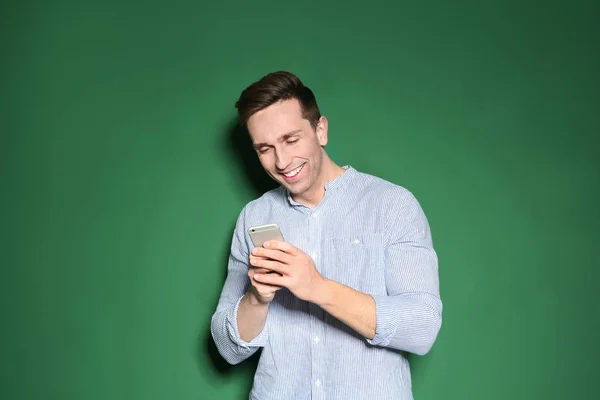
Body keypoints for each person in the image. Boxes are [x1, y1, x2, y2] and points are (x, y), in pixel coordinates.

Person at [210, 71, 442, 400]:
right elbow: (227, 348)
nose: (282, 161)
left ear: (320, 130)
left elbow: (422, 327)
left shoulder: (391, 205)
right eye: (265, 148)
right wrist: (257, 299)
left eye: (291, 140)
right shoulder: (255, 217)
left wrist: (318, 288)